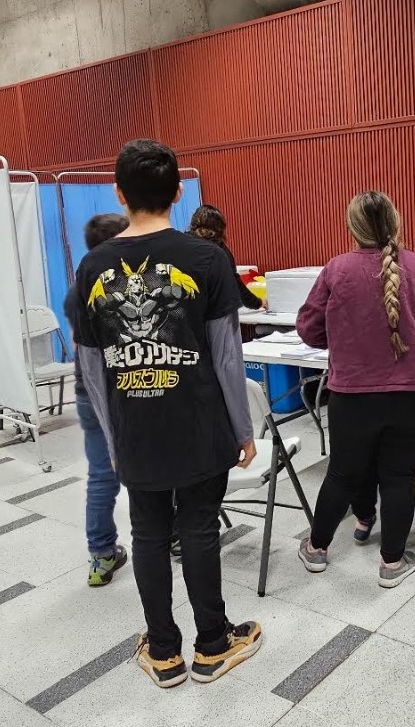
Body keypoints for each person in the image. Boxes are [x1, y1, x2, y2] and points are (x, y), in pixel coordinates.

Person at [69, 139, 261, 689]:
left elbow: (92, 367)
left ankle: (163, 652)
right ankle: (212, 646)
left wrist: (112, 436)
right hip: (200, 423)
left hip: (135, 429)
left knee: (149, 532)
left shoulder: (93, 266)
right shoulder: (206, 258)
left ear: (119, 193)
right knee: (198, 526)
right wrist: (242, 429)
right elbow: (227, 355)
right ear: (179, 192)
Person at [296, 191, 415, 588]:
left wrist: (346, 339)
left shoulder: (337, 270)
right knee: (399, 476)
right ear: (396, 223)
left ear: (352, 227)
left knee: (341, 473)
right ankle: (391, 564)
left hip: (354, 395)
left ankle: (317, 549)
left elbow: (308, 330)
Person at [64, 213, 129, 587]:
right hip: (120, 391)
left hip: (87, 393)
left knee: (101, 476)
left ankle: (101, 556)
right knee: (148, 467)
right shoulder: (115, 289)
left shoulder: (78, 289)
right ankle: (169, 534)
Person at [189, 204, 264, 310]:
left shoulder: (183, 245)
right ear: (219, 227)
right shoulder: (218, 251)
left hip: (189, 311)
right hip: (217, 312)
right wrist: (257, 303)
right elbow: (235, 282)